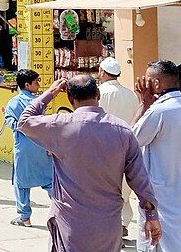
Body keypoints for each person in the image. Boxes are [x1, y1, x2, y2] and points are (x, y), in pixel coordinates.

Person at [18, 75, 161, 252]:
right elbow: (140, 178)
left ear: (70, 99)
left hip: (70, 225)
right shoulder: (122, 130)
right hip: (108, 226)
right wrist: (151, 215)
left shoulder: (59, 126)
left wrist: (50, 93)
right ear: (98, 94)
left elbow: (24, 121)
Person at [132, 60, 181, 252]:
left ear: (156, 84)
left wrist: (143, 105)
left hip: (161, 194)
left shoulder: (159, 111)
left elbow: (132, 140)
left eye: (147, 80)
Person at [4, 69, 53, 227]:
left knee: (21, 182)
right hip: (41, 144)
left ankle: (24, 216)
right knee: (48, 180)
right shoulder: (39, 102)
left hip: (24, 147)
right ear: (27, 85)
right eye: (36, 82)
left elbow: (12, 123)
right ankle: (64, 208)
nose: (39, 85)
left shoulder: (14, 103)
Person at [98, 56, 141, 237]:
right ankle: (122, 224)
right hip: (127, 147)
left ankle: (113, 227)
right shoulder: (130, 94)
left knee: (106, 191)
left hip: (104, 147)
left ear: (102, 72)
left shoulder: (99, 92)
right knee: (123, 189)